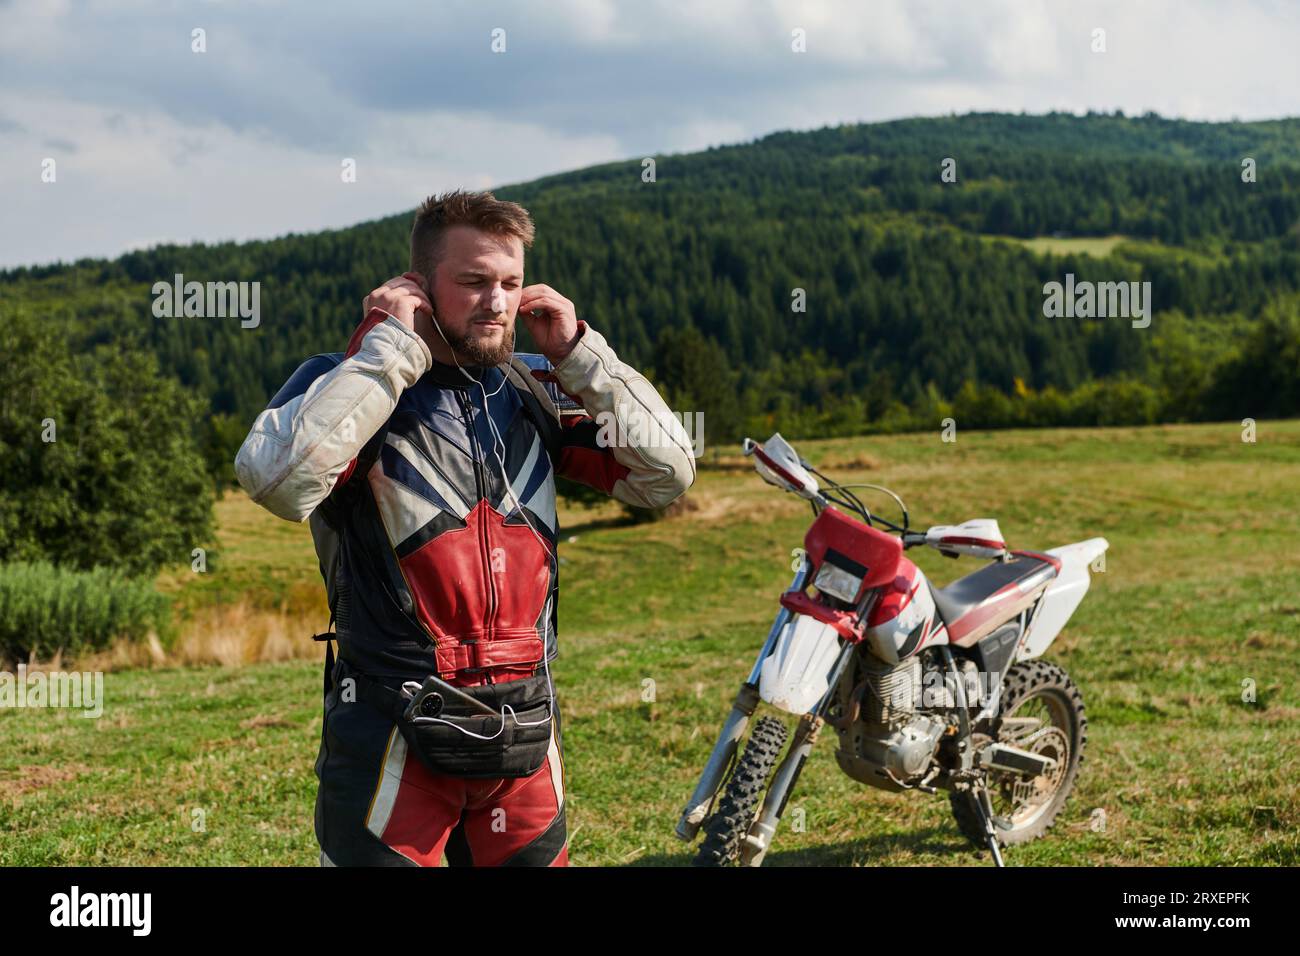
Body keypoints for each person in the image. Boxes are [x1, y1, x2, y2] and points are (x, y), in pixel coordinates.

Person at [234, 189, 696, 866]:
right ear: (418, 287)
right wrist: (388, 352)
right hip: (393, 727)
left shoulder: (533, 389)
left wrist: (579, 355)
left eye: (510, 282)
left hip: (526, 725)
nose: (498, 302)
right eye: (474, 282)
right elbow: (278, 481)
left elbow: (667, 472)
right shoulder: (349, 383)